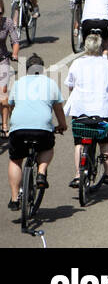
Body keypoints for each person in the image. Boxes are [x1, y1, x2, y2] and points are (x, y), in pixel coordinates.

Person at [63, 32, 108, 188]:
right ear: (100, 47)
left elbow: (70, 85)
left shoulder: (77, 64)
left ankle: (78, 175)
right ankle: (107, 174)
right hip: (102, 110)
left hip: (80, 110)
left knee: (79, 141)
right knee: (104, 142)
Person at [7, 54, 67, 209]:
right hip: (42, 129)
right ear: (42, 70)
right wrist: (62, 125)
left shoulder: (18, 83)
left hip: (18, 128)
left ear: (27, 70)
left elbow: (11, 106)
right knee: (47, 147)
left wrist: (11, 125)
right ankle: (41, 172)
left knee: (15, 160)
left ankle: (14, 199)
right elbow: (58, 108)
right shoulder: (50, 83)